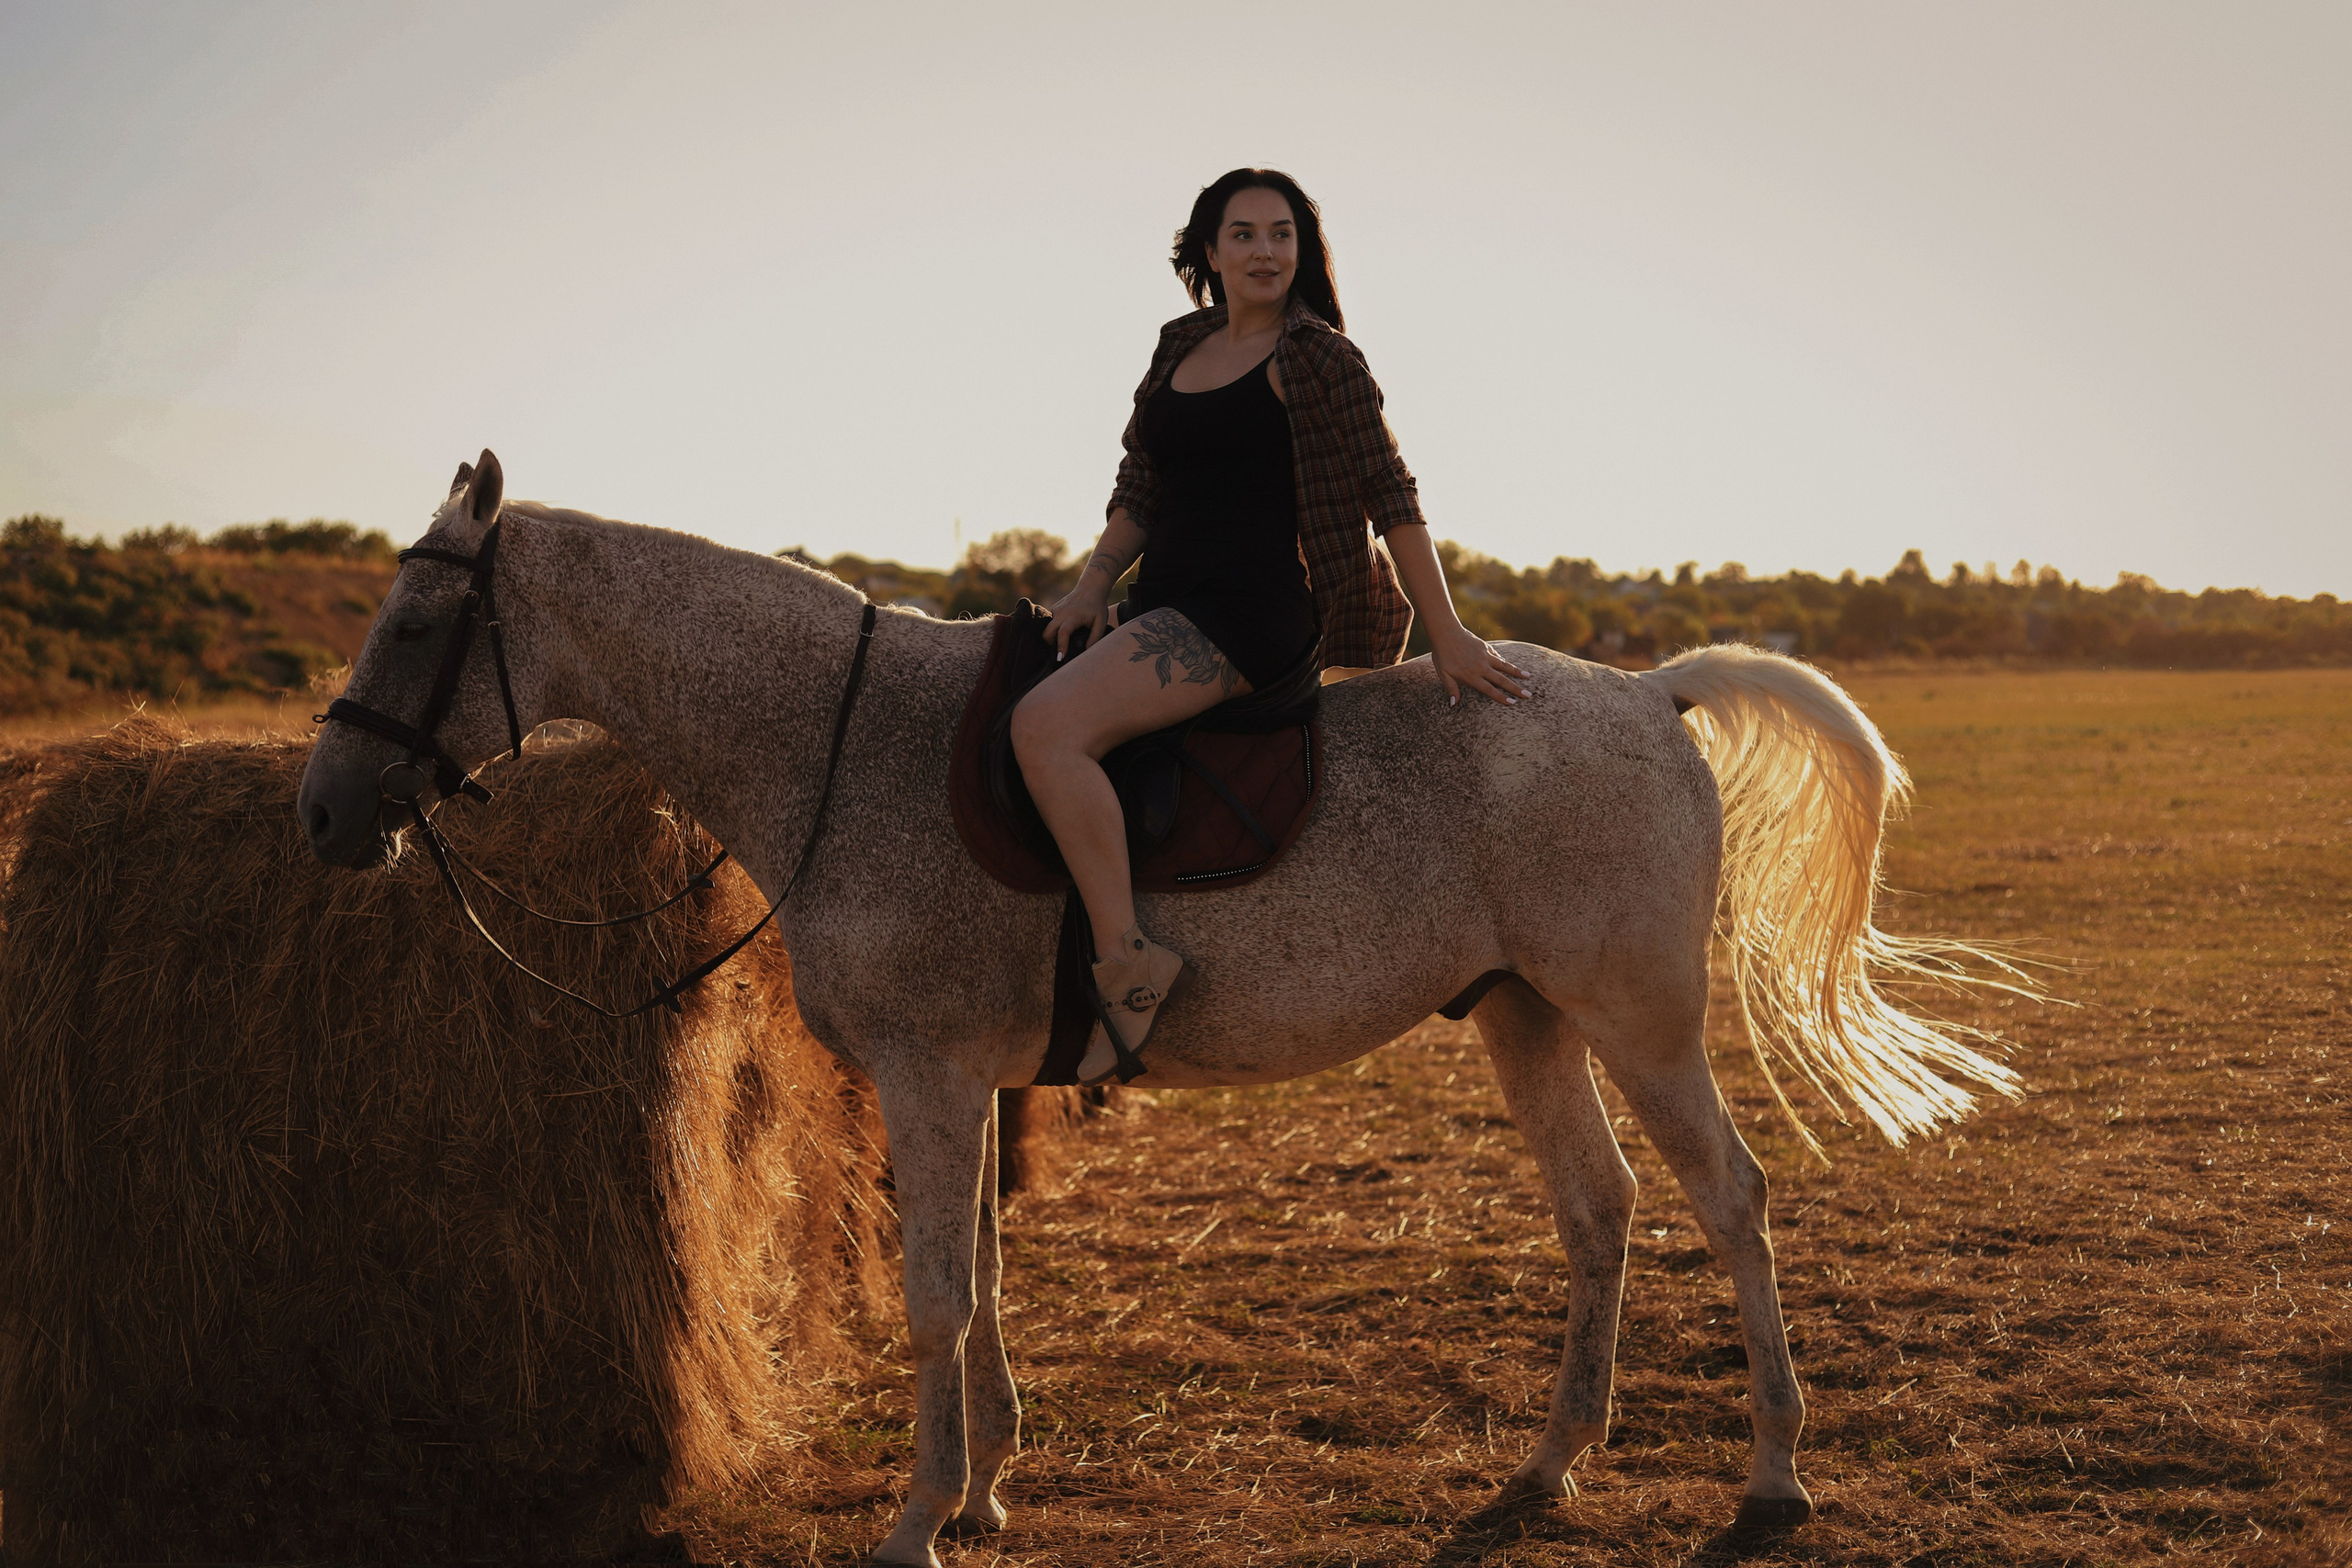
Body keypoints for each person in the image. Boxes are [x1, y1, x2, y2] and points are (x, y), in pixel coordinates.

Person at [1010, 167, 1529, 1085]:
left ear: (1302, 251)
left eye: (1281, 234)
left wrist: (1446, 632)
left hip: (1249, 618)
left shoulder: (1319, 359)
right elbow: (1142, 483)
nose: (1263, 250)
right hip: (1163, 604)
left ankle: (1128, 966)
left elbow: (1389, 496)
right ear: (1207, 253)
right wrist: (1091, 585)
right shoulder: (1178, 344)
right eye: (1243, 234)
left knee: (1045, 728)